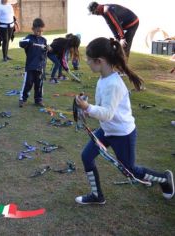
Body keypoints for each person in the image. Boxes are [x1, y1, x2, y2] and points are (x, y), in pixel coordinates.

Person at [74, 37, 174, 204]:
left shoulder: (114, 84)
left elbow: (107, 113)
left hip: (122, 134)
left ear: (99, 61)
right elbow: (103, 108)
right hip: (106, 131)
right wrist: (87, 111)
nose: (87, 62)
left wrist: (87, 107)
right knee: (86, 156)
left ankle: (165, 178)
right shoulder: (103, 79)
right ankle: (97, 196)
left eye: (88, 59)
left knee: (131, 171)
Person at [18, 18, 48, 108]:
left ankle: (38, 99)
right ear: (33, 29)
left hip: (40, 66)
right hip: (30, 66)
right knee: (28, 83)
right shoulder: (29, 38)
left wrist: (47, 48)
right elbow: (21, 43)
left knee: (39, 84)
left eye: (41, 31)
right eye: (38, 31)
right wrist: (29, 42)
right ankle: (23, 99)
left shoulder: (43, 40)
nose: (40, 33)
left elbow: (45, 51)